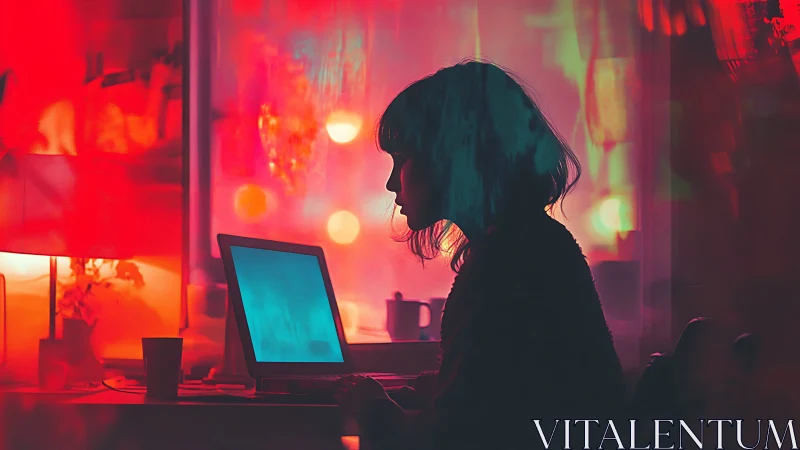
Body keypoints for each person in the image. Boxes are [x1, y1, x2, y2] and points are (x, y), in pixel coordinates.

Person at [337, 60, 626, 450]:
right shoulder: (532, 242)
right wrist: (440, 389)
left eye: (401, 158)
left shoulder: (506, 265)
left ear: (451, 157)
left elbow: (451, 439)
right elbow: (509, 396)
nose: (392, 183)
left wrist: (372, 407)